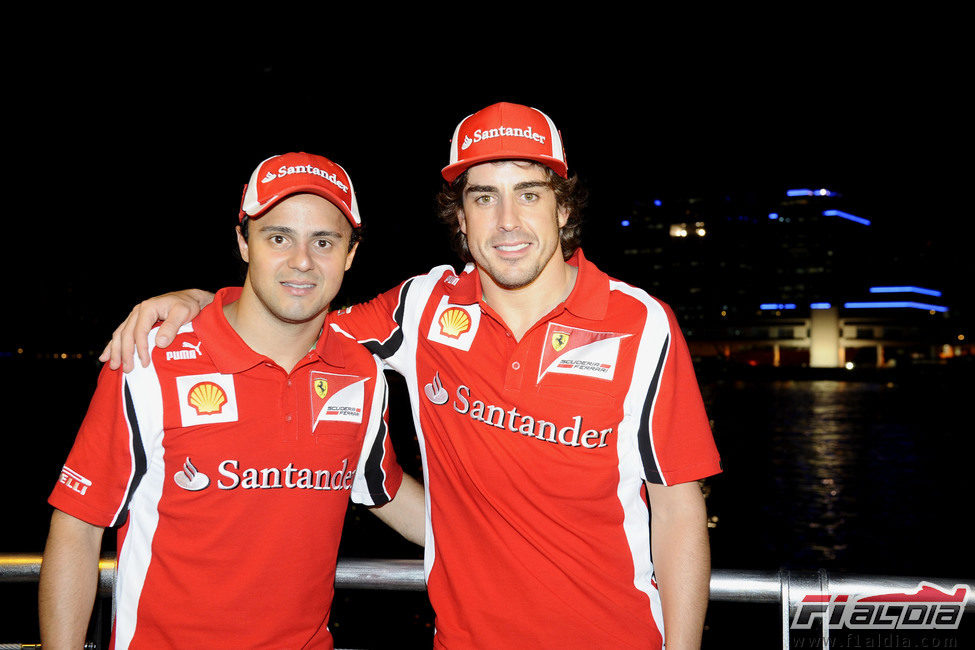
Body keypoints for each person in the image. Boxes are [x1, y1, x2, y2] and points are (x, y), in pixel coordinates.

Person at [102, 103, 722, 649]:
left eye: (529, 193)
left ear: (564, 207)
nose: (507, 220)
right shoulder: (424, 309)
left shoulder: (642, 324)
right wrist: (201, 301)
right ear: (460, 216)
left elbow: (677, 510)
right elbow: (294, 315)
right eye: (484, 197)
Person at [40, 151, 424, 649]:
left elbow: (382, 487)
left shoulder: (361, 372)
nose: (302, 261)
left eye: (324, 241)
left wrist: (524, 533)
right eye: (279, 237)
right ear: (244, 241)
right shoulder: (153, 359)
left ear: (350, 254)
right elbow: (77, 527)